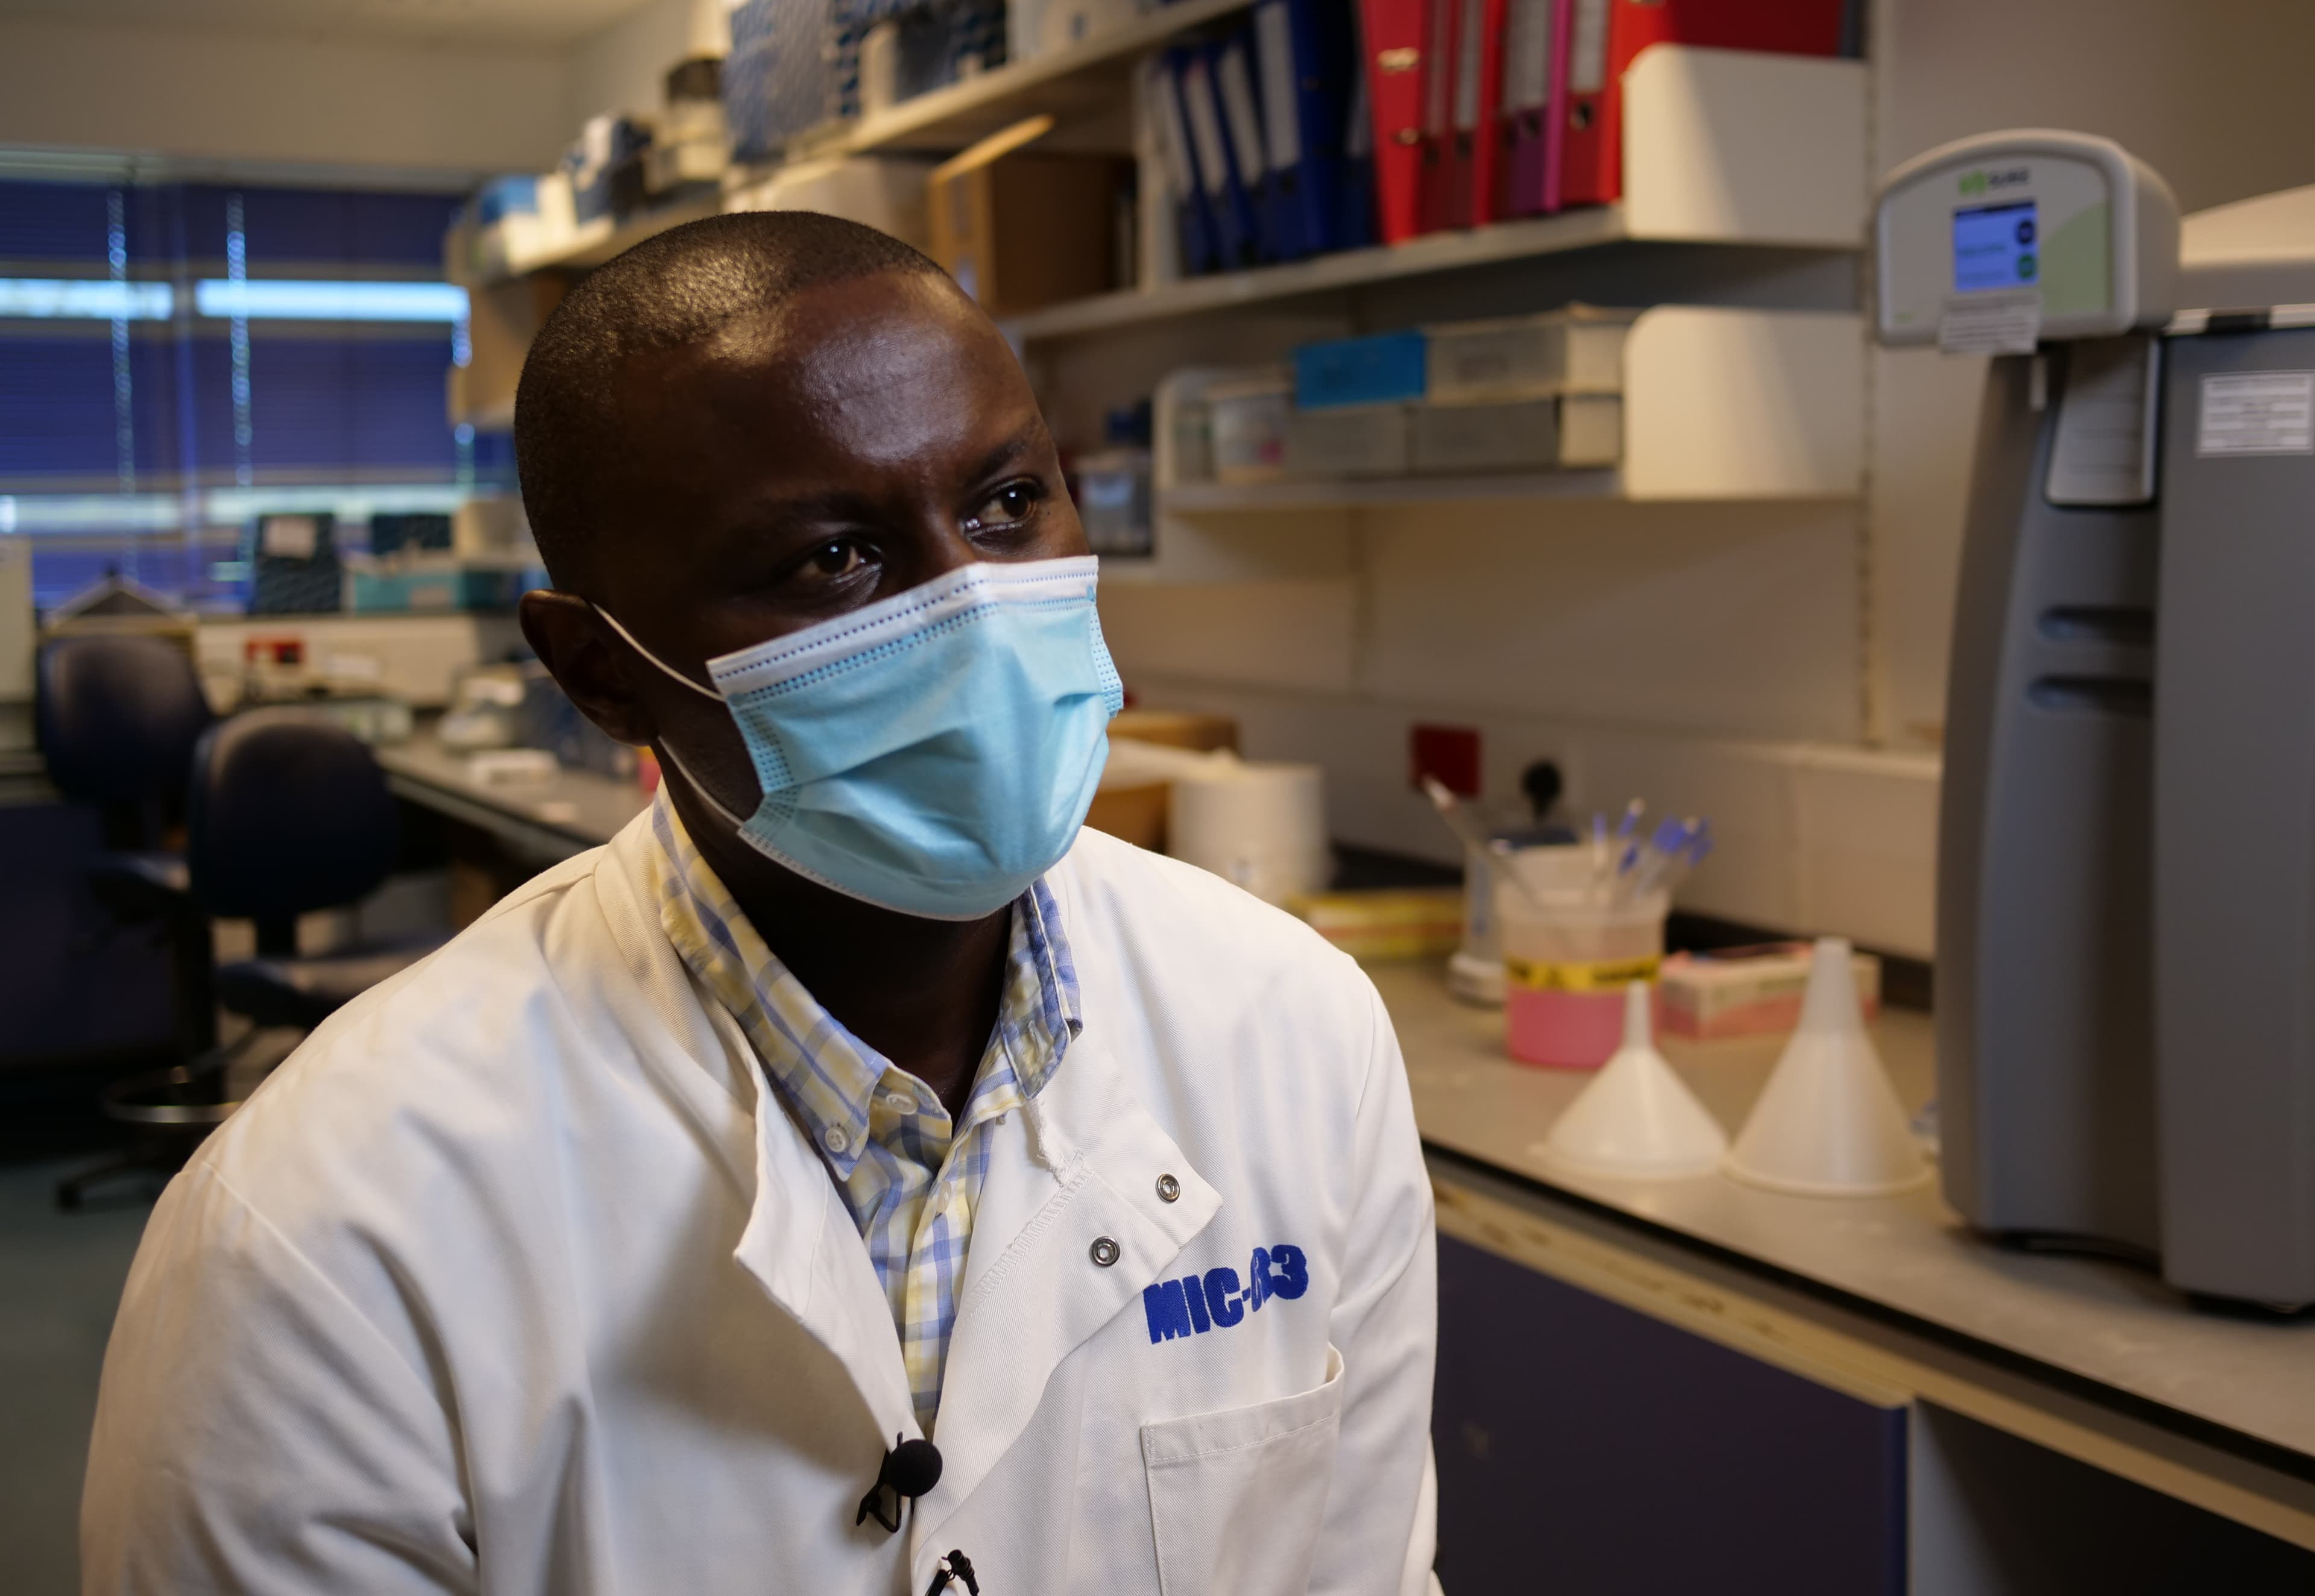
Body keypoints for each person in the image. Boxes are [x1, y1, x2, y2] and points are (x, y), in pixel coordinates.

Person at [81, 212, 1438, 1594]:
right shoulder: (323, 1235)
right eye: (833, 559)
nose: (975, 608)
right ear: (599, 672)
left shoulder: (1298, 1031)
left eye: (1007, 503)